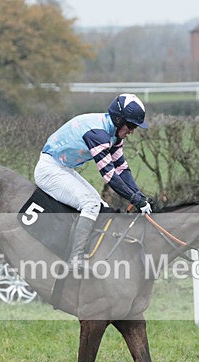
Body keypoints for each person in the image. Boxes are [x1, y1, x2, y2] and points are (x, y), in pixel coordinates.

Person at [35, 93, 152, 270]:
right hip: (49, 169)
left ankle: (92, 252)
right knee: (90, 204)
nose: (132, 131)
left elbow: (122, 169)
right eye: (131, 125)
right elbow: (110, 176)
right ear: (119, 119)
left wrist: (139, 195)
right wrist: (135, 200)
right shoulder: (98, 135)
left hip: (63, 168)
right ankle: (75, 259)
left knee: (100, 204)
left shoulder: (114, 135)